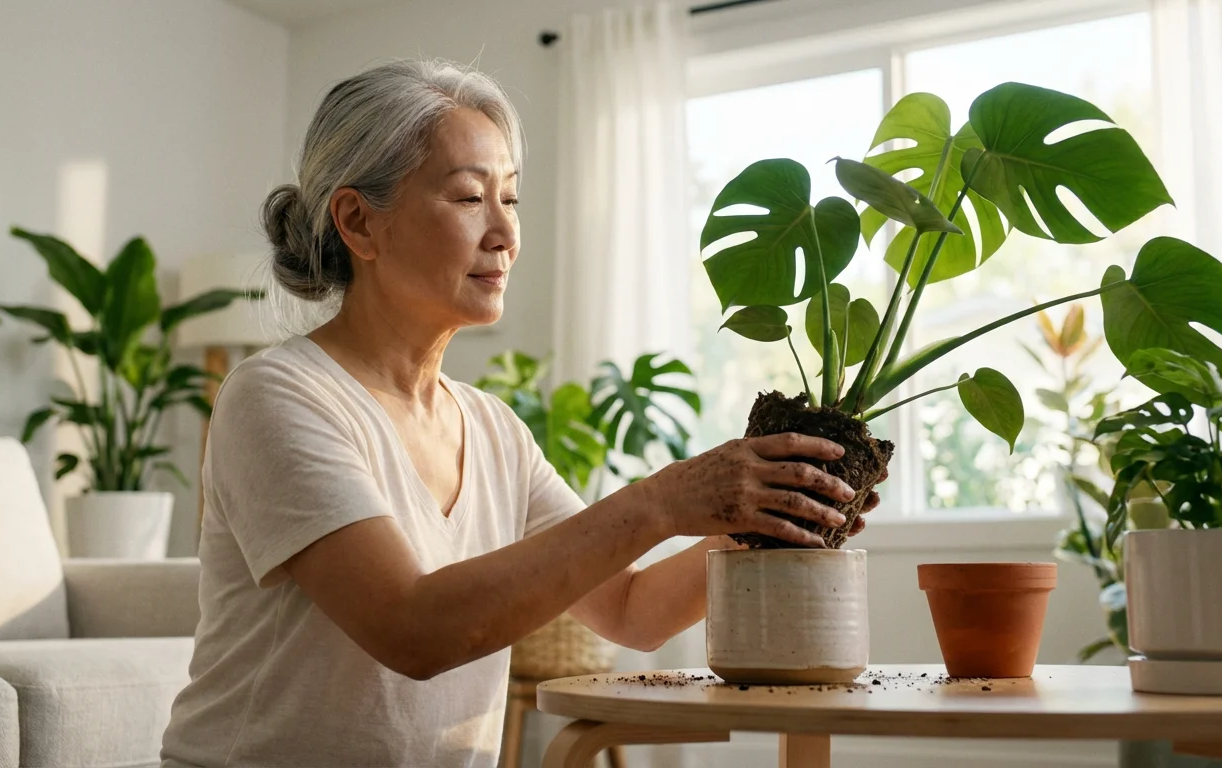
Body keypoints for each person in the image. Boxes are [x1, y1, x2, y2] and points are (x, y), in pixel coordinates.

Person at [159, 58, 878, 768]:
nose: (505, 234)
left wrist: (768, 519)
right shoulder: (276, 395)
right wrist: (663, 500)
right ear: (358, 222)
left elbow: (634, 611)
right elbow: (414, 630)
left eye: (511, 199)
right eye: (470, 199)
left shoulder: (494, 430)